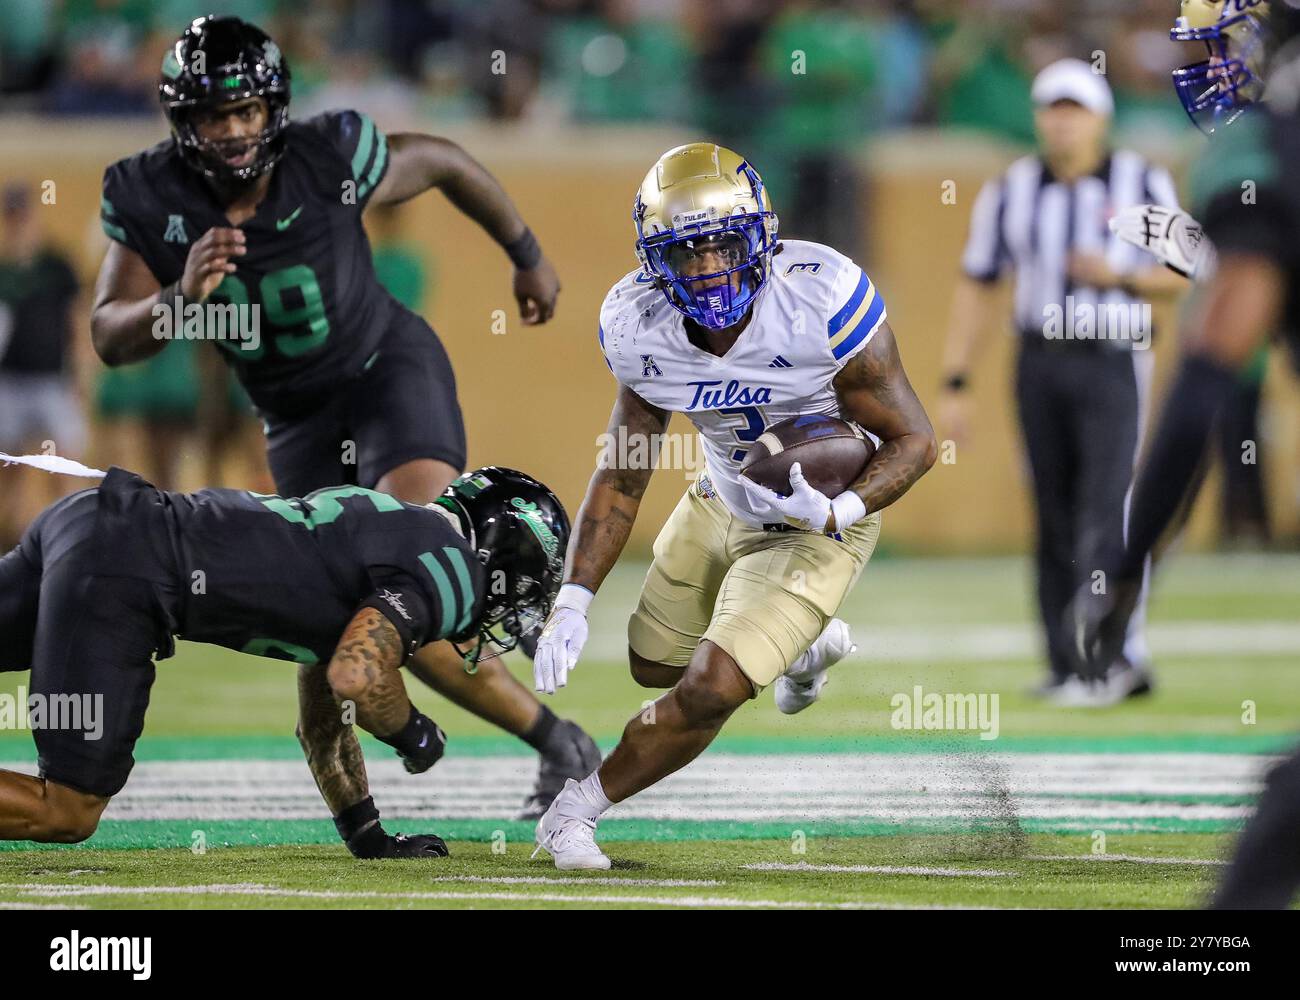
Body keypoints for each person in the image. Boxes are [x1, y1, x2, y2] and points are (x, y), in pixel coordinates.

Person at [88, 15, 597, 820]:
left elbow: (441, 158)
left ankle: (546, 718)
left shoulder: (326, 157)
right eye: (215, 115)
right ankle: (544, 745)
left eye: (247, 111)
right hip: (293, 418)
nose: (232, 130)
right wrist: (176, 301)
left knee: (407, 574)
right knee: (331, 615)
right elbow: (109, 336)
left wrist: (525, 251)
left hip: (385, 373)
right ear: (183, 122)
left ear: (274, 110)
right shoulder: (150, 193)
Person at [529, 142, 936, 870]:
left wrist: (840, 513)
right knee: (654, 667)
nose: (711, 269)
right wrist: (574, 598)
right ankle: (803, 647)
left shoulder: (822, 298)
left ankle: (575, 811)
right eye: (688, 254)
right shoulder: (637, 324)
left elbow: (913, 440)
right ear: (657, 261)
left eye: (724, 245)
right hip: (720, 493)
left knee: (712, 687)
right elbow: (623, 474)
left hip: (819, 519)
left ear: (762, 238)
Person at [0, 460, 568, 857]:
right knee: (66, 810)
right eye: (526, 586)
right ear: (503, 557)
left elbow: (324, 723)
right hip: (126, 573)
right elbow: (358, 674)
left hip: (91, 521)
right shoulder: (451, 567)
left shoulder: (393, 530)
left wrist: (365, 832)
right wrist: (414, 733)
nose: (518, 604)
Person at [1074, 0, 1300, 909]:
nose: (1214, 61)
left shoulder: (1261, 152)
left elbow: (1206, 381)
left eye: (1227, 40)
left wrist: (1128, 565)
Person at [937, 58, 1188, 707]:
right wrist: (955, 378)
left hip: (1112, 353)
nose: (1062, 121)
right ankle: (1065, 660)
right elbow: (978, 281)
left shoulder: (1141, 181)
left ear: (1101, 118)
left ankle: (1110, 657)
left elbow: (1187, 272)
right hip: (1040, 359)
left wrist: (1119, 277)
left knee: (1106, 507)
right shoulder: (1012, 188)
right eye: (1052, 107)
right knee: (1052, 509)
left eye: (1074, 108)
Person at [0, 183, 85, 549]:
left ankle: (72, 540)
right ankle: (12, 545)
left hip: (52, 382)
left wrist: (82, 375)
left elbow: (76, 322)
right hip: (10, 384)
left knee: (63, 466)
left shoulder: (56, 267)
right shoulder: (3, 272)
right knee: (9, 472)